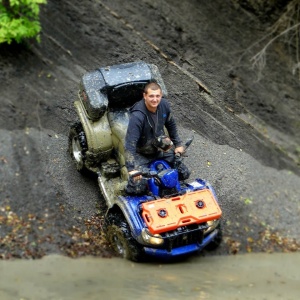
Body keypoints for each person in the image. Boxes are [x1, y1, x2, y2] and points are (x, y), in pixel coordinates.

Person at [125, 82, 190, 189]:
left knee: (183, 172)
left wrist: (178, 144)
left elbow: (171, 124)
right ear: (144, 96)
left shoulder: (164, 105)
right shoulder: (137, 116)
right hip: (141, 152)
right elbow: (130, 143)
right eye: (151, 96)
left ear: (161, 96)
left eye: (157, 96)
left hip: (159, 146)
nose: (155, 99)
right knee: (138, 186)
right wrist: (131, 169)